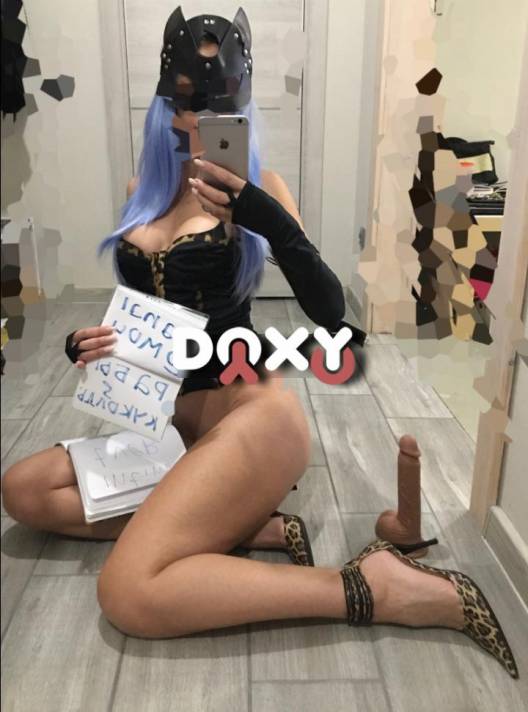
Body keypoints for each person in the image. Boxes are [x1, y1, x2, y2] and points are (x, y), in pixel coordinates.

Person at [1, 7, 517, 679]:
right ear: (163, 103)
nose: (197, 122)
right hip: (170, 420)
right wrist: (88, 342)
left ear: (240, 105)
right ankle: (249, 527)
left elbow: (331, 314)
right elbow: (142, 315)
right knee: (24, 491)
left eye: (217, 106)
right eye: (184, 104)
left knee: (127, 592)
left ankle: (372, 587)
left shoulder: (262, 188)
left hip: (249, 412)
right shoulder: (142, 191)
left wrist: (262, 215)